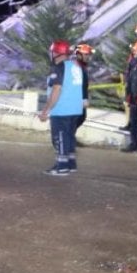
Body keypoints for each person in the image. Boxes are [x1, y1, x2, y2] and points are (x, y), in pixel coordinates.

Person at [37, 40, 86, 176]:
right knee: (69, 136)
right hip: (75, 109)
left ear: (57, 53)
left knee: (59, 137)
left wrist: (46, 110)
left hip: (62, 109)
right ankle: (70, 164)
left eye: (52, 52)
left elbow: (57, 89)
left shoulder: (59, 67)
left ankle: (62, 166)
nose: (50, 54)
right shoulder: (75, 66)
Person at [73, 43, 94, 136]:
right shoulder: (76, 67)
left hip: (80, 97)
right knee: (77, 118)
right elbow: (79, 85)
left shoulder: (82, 66)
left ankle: (70, 136)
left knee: (81, 117)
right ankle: (68, 138)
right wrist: (83, 99)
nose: (88, 57)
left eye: (88, 55)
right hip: (75, 98)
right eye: (86, 54)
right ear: (78, 55)